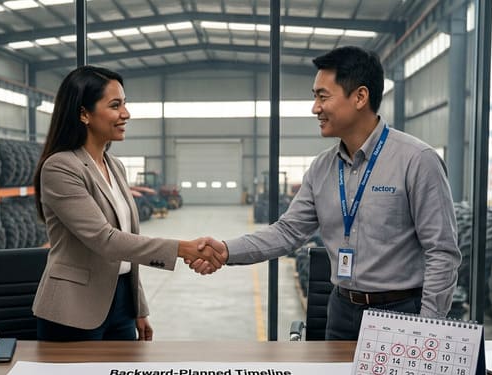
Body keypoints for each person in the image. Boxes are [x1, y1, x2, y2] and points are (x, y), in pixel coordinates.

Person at [191, 46, 461, 340]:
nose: (315, 108)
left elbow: (442, 251)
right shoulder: (322, 168)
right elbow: (287, 232)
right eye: (314, 97)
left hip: (400, 313)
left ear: (360, 97)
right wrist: (225, 250)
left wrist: (427, 328)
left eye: (323, 96)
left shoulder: (417, 160)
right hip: (341, 311)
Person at [32, 65, 224, 342]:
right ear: (84, 113)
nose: (126, 114)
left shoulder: (115, 166)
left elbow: (129, 243)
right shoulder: (61, 167)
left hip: (120, 302)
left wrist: (139, 308)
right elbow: (105, 240)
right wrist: (183, 248)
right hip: (72, 309)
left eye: (125, 104)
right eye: (115, 105)